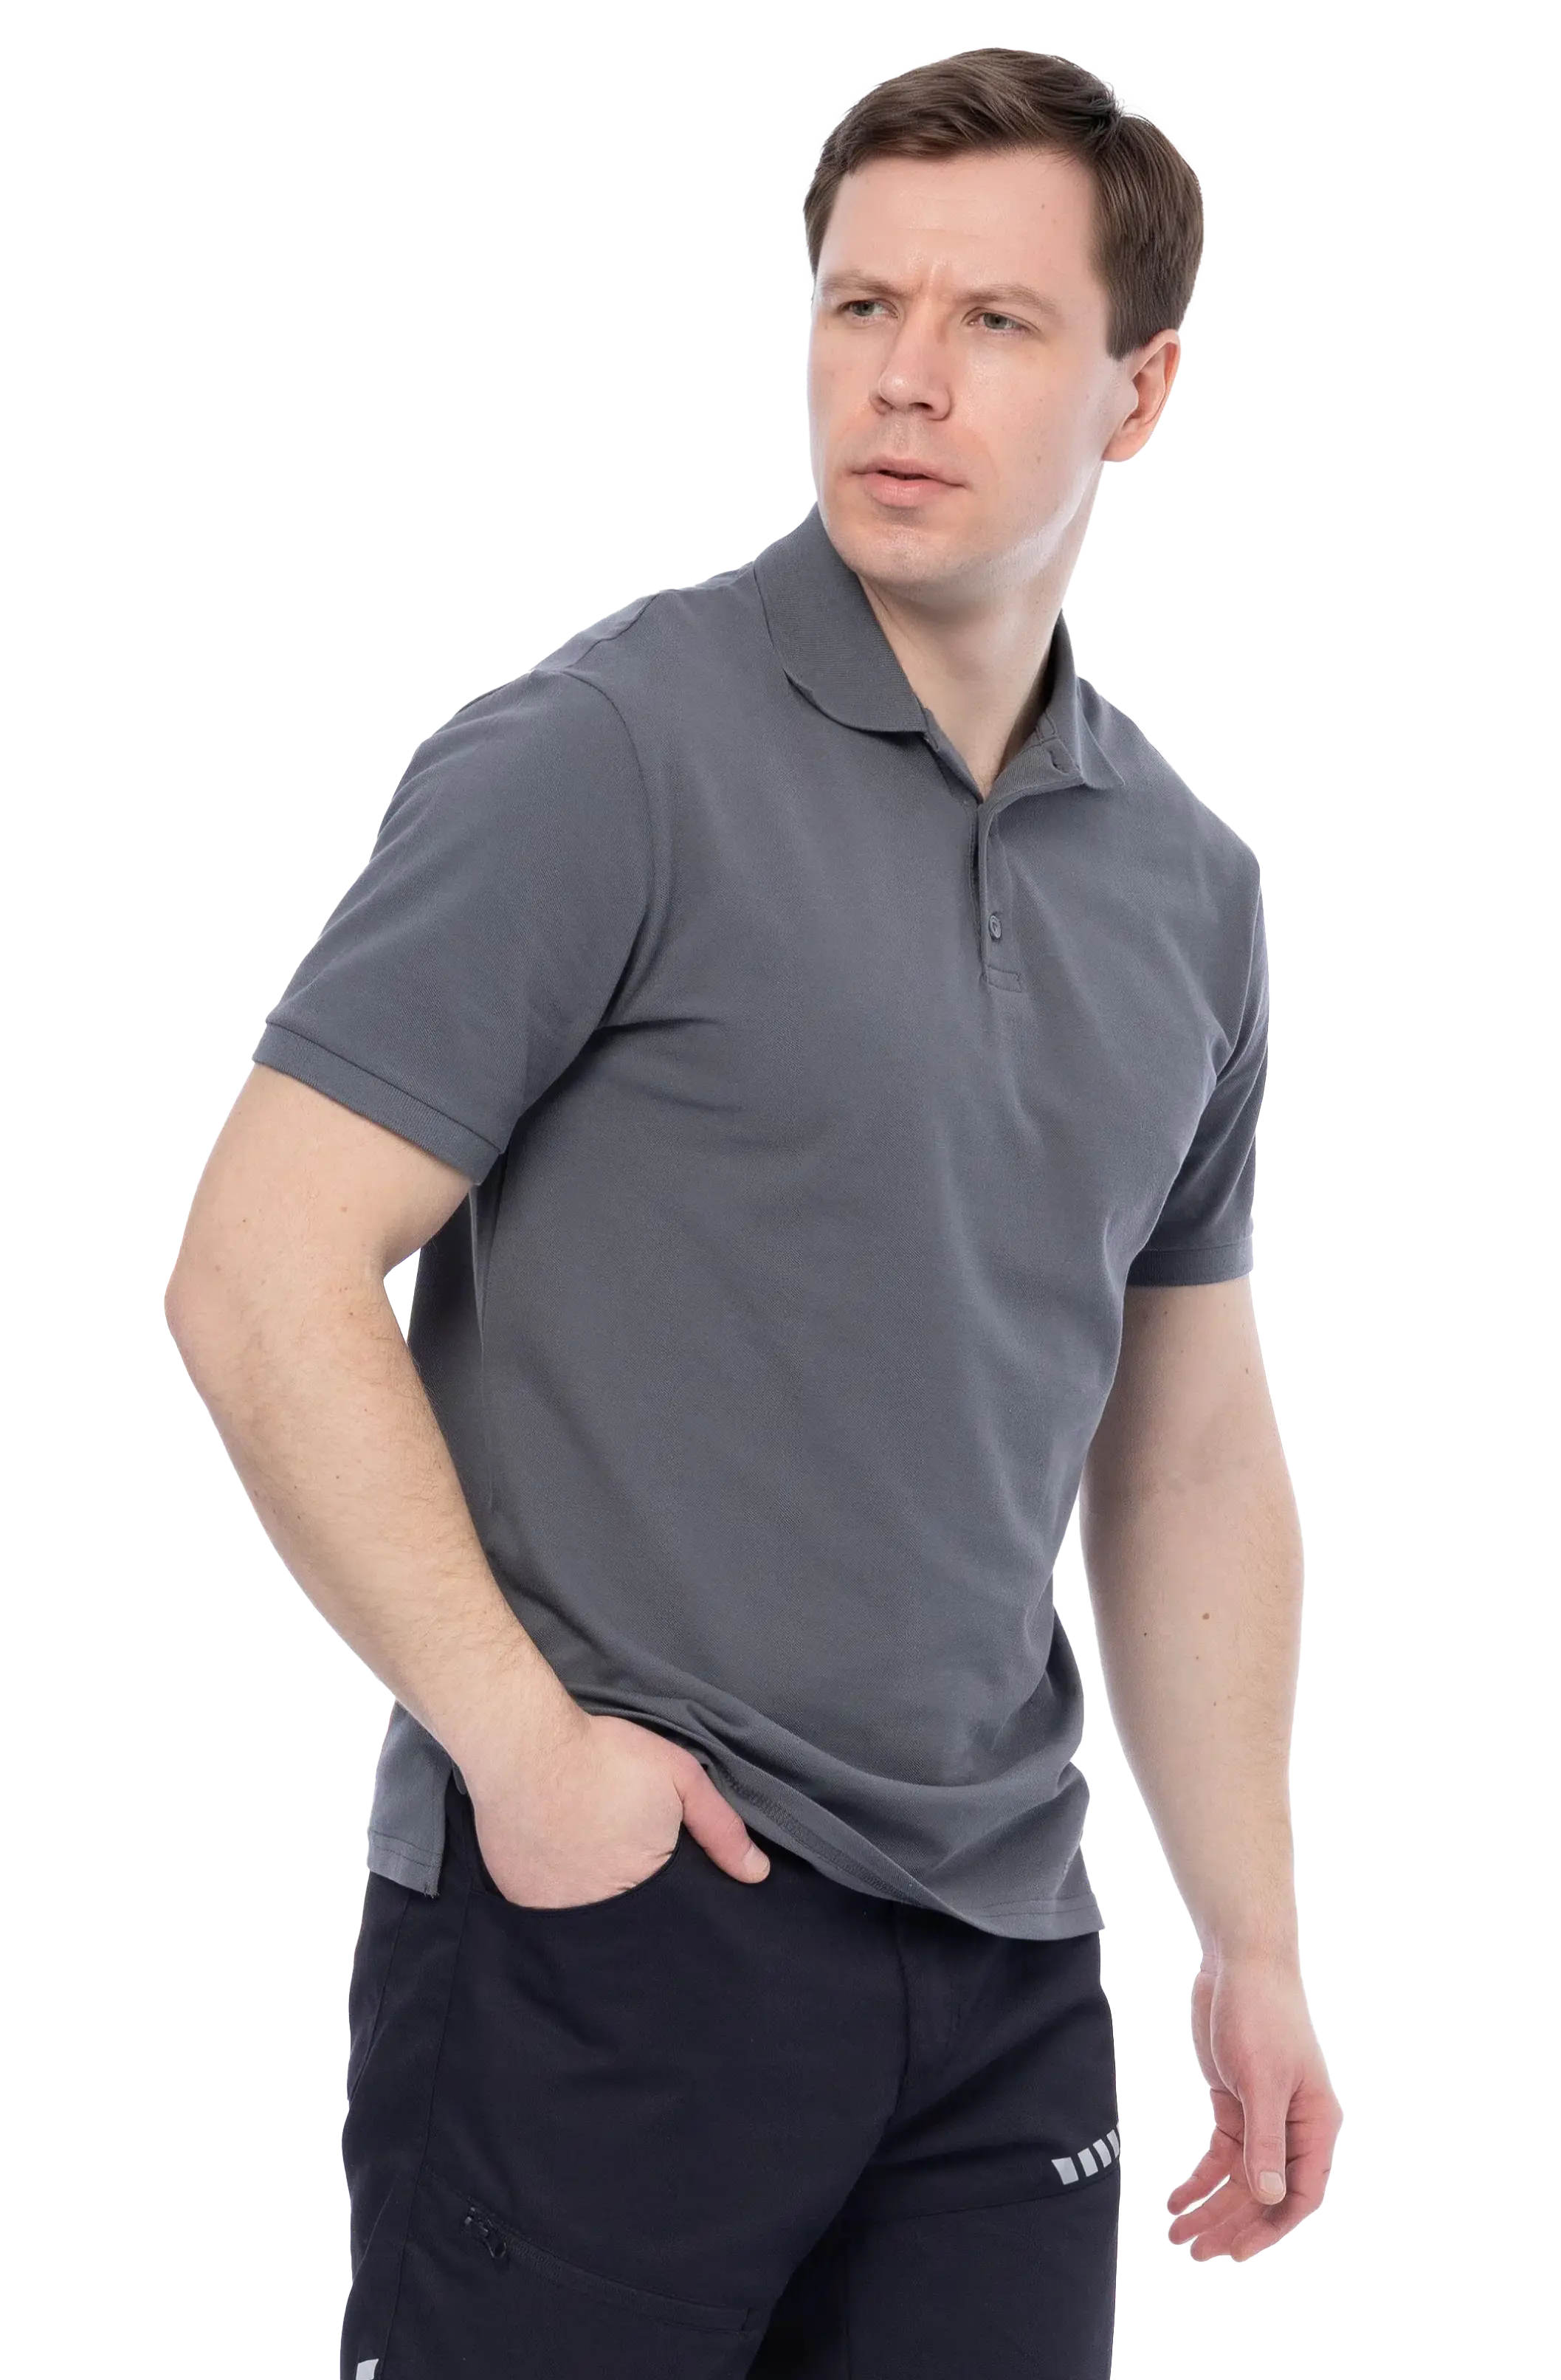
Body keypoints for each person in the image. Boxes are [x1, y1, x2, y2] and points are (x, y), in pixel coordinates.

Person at [164, 42, 1340, 2379]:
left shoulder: (1189, 886)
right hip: (616, 1916)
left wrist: (1252, 1936)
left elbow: (1185, 1448)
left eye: (994, 321)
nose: (902, 376)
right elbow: (259, 1267)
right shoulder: (606, 751)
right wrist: (523, 1749)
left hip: (1006, 1967)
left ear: (1140, 392)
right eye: (860, 305)